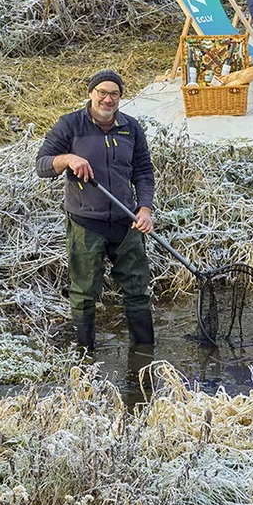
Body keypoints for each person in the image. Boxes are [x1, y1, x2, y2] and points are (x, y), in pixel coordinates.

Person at [35, 69, 156, 350]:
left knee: (138, 291)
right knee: (84, 292)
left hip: (127, 222)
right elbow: (42, 165)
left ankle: (145, 357)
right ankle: (84, 357)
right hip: (86, 222)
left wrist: (145, 209)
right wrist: (67, 159)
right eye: (102, 92)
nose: (107, 99)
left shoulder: (131, 128)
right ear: (91, 94)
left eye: (114, 94)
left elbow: (144, 172)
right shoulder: (70, 125)